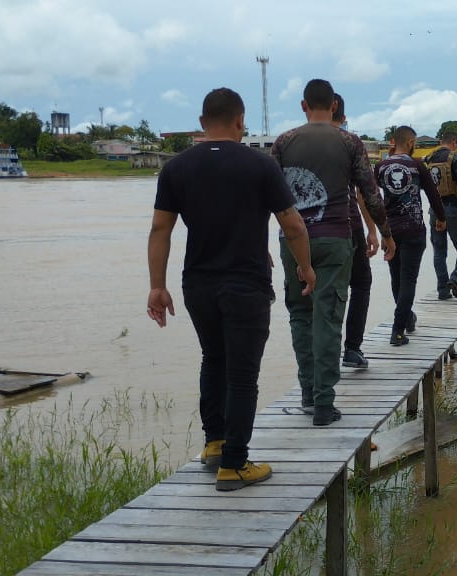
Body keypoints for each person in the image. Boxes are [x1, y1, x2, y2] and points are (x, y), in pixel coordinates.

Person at [147, 87, 314, 491]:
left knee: (213, 360)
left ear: (202, 123)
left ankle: (215, 444)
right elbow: (292, 224)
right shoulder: (260, 165)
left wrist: (157, 287)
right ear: (241, 122)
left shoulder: (176, 168)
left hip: (197, 285)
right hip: (246, 285)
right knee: (242, 374)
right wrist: (306, 268)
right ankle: (235, 464)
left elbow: (160, 229)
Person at [271, 79, 395, 427]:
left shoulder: (284, 142)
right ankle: (325, 404)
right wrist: (385, 233)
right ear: (335, 107)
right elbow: (370, 195)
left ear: (303, 105)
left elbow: (265, 195)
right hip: (336, 240)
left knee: (300, 313)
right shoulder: (349, 142)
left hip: (293, 241)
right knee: (328, 317)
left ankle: (308, 393)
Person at [377, 126, 447, 345]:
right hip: (414, 229)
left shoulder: (380, 167)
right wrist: (441, 218)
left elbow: (371, 197)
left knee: (396, 278)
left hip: (390, 231)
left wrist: (379, 228)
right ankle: (397, 332)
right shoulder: (417, 166)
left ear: (392, 142)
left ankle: (407, 319)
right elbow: (433, 195)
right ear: (410, 143)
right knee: (408, 280)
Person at [331, 94, 378, 370]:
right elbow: (364, 192)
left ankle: (321, 358)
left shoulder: (293, 143)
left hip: (305, 230)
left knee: (320, 292)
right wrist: (375, 231)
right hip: (347, 225)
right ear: (343, 117)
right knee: (360, 283)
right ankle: (351, 348)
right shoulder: (350, 144)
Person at [425, 130, 457, 300]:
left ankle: (442, 291)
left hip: (434, 210)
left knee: (439, 251)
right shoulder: (456, 158)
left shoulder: (428, 159)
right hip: (454, 209)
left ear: (440, 141)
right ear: (454, 142)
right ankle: (456, 279)